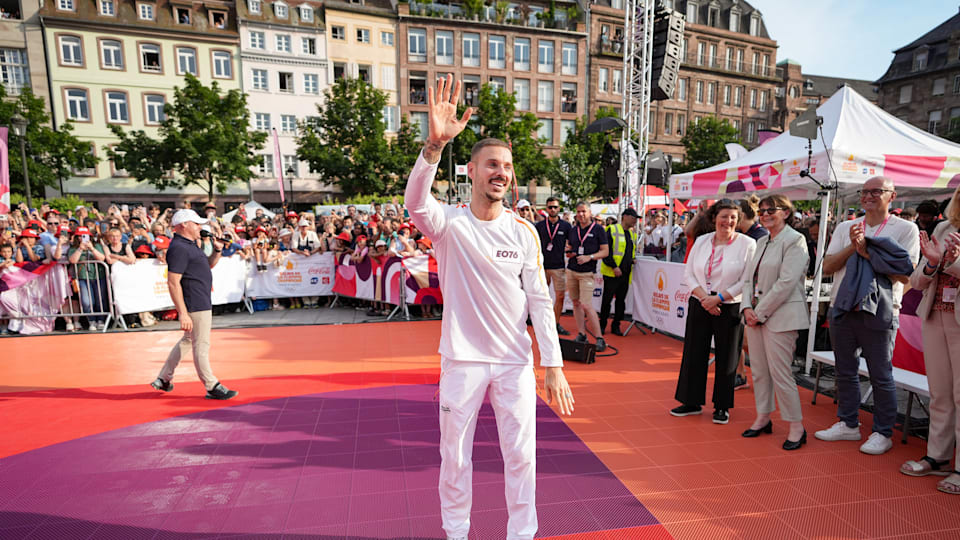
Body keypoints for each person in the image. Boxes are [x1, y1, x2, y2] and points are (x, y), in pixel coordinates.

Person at [404, 75, 573, 540]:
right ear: (473, 172)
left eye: (508, 167)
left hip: (514, 363)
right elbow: (415, 203)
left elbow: (540, 301)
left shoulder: (524, 232)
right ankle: (456, 533)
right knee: (455, 455)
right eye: (492, 164)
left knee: (522, 456)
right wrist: (433, 148)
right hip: (461, 360)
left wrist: (552, 365)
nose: (502, 172)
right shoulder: (449, 226)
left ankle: (522, 534)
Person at [815, 177, 919, 455]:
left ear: (892, 196)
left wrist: (869, 254)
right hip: (843, 306)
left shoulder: (906, 228)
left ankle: (883, 432)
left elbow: (905, 276)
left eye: (876, 191)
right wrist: (853, 247)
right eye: (865, 192)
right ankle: (848, 423)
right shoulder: (846, 226)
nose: (868, 196)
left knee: (881, 375)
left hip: (881, 310)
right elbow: (827, 266)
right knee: (845, 371)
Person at [671, 199, 756, 424]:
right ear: (714, 218)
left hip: (729, 307)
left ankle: (722, 406)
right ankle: (691, 401)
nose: (728, 222)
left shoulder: (747, 244)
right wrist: (704, 298)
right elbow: (688, 273)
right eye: (724, 216)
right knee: (693, 352)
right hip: (699, 302)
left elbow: (746, 280)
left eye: (733, 218)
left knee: (728, 357)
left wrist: (718, 298)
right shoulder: (701, 241)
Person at [740, 195, 810, 450]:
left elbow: (787, 283)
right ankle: (763, 416)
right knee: (758, 370)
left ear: (787, 213)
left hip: (780, 317)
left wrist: (759, 312)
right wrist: (747, 307)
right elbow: (748, 279)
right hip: (755, 315)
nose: (766, 214)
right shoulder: (761, 241)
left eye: (772, 210)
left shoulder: (795, 241)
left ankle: (796, 426)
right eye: (762, 211)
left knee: (781, 374)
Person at [902, 186, 960, 493]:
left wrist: (953, 263)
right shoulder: (943, 226)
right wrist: (933, 263)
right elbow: (917, 280)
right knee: (939, 393)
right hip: (935, 315)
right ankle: (937, 457)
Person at [150, 209, 238, 400]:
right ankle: (211, 384)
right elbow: (173, 282)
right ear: (184, 225)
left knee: (189, 340)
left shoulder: (189, 245)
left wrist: (217, 249)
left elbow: (208, 265)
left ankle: (164, 378)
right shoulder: (180, 248)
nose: (200, 227)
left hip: (199, 300)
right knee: (201, 344)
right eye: (196, 223)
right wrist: (182, 312)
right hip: (195, 303)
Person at [566, 202, 609, 352]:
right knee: (576, 303)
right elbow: (570, 247)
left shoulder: (598, 230)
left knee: (586, 305)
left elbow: (605, 252)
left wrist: (589, 257)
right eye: (578, 212)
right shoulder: (573, 230)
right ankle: (581, 333)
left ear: (590, 212)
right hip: (571, 270)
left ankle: (599, 338)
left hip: (587, 273)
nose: (581, 214)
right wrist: (569, 251)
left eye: (583, 211)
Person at [535, 196, 573, 336]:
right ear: (546, 208)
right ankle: (541, 322)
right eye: (550, 207)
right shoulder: (539, 226)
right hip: (542, 267)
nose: (552, 209)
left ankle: (556, 324)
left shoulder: (566, 226)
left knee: (560, 296)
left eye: (555, 207)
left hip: (559, 266)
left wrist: (571, 249)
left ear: (559, 209)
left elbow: (572, 242)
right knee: (541, 296)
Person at [599, 208, 638, 337]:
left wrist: (632, 260)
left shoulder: (632, 234)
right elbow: (606, 251)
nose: (635, 221)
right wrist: (614, 267)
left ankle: (616, 325)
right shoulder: (612, 229)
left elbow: (628, 251)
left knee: (621, 301)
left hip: (625, 273)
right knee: (607, 300)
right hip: (612, 273)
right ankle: (602, 325)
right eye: (633, 217)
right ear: (625, 217)